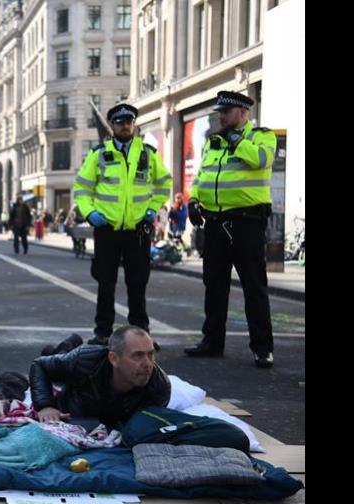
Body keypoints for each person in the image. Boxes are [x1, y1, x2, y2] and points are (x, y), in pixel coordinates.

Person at [184, 91, 278, 368]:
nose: (220, 117)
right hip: (214, 222)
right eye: (219, 113)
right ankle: (212, 342)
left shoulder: (261, 136)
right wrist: (193, 200)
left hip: (247, 223)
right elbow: (203, 176)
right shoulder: (213, 142)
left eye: (226, 112)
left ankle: (262, 348)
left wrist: (235, 139)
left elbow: (261, 160)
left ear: (243, 112)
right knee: (213, 285)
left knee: (254, 287)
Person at [72, 103, 172, 346]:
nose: (125, 126)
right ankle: (103, 332)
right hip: (107, 230)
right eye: (120, 122)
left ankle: (141, 335)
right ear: (112, 126)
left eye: (129, 121)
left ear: (134, 125)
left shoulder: (148, 153)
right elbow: (82, 189)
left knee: (137, 285)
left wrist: (153, 207)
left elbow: (163, 184)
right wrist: (90, 213)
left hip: (138, 230)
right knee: (105, 284)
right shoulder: (99, 154)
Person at [29, 326, 170, 429]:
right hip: (74, 395)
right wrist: (45, 406)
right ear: (114, 359)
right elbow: (40, 365)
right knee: (59, 366)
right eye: (137, 355)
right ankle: (67, 346)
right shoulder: (84, 360)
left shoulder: (159, 387)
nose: (147, 364)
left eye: (151, 354)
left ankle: (63, 349)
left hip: (96, 419)